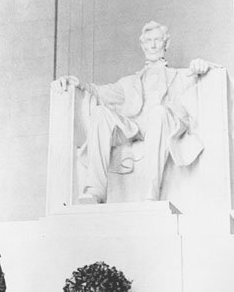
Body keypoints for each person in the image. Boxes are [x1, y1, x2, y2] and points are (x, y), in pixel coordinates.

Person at [52, 21, 221, 203]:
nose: (153, 45)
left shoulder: (181, 75)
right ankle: (95, 192)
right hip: (134, 127)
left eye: (157, 40)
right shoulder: (128, 82)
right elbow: (98, 91)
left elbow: (209, 74)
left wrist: (201, 66)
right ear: (143, 45)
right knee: (100, 114)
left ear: (166, 43)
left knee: (158, 113)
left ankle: (150, 195)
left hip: (163, 122)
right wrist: (72, 83)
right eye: (148, 41)